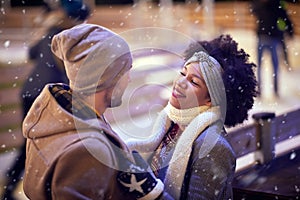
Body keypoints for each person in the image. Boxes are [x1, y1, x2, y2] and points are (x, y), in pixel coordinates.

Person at [22, 23, 166, 200]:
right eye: (126, 71)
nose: (129, 79)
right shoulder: (88, 149)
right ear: (109, 78)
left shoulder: (54, 116)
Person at [127, 34, 257, 199]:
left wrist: (149, 190)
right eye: (182, 73)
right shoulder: (170, 124)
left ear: (211, 99)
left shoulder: (213, 147)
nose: (180, 83)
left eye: (194, 82)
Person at [1, 1, 90, 199]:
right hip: (47, 95)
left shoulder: (53, 32)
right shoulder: (68, 37)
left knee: (34, 143)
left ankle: (13, 185)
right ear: (74, 18)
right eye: (81, 19)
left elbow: (31, 54)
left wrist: (45, 27)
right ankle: (41, 189)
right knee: (50, 143)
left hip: (31, 92)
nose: (83, 23)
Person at [251, 0, 294, 97]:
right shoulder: (261, 4)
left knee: (274, 65)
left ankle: (275, 89)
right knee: (261, 66)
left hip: (272, 38)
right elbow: (253, 10)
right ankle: (260, 90)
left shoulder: (275, 4)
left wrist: (290, 31)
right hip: (264, 37)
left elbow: (285, 17)